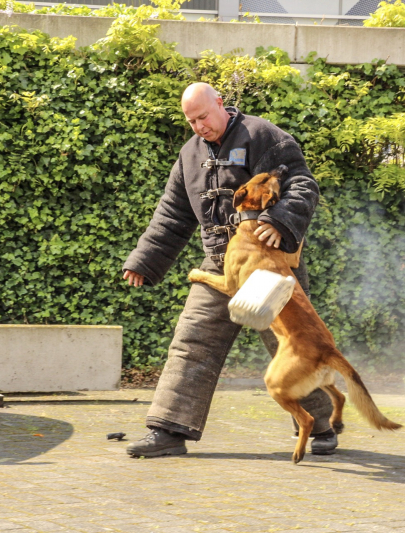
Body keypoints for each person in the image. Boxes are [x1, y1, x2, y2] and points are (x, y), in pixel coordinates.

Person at [122, 82, 338, 458]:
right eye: (191, 121)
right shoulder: (189, 156)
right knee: (191, 341)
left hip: (269, 263)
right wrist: (145, 260)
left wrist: (280, 221)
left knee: (294, 345)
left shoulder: (262, 135)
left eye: (203, 116)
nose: (199, 126)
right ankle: (168, 431)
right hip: (220, 264)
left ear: (220, 104)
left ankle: (321, 428)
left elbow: (302, 183)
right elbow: (173, 214)